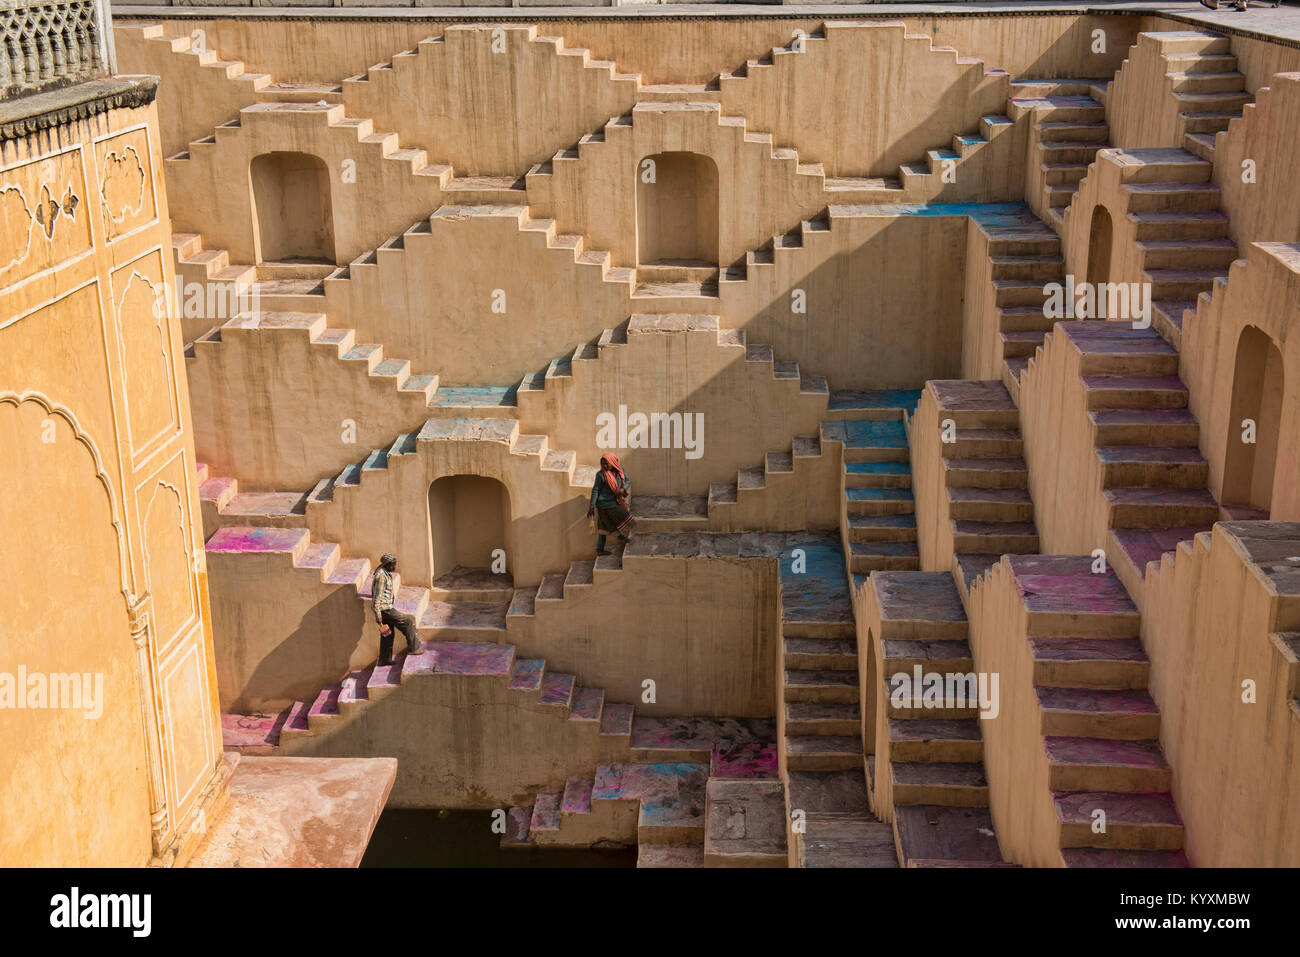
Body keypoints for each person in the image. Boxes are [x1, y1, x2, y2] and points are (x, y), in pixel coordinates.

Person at [372, 552, 421, 664]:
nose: (394, 566)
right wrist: (378, 615)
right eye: (393, 564)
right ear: (388, 564)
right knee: (407, 622)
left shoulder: (383, 571)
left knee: (388, 635)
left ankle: (385, 659)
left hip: (386, 607)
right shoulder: (381, 576)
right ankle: (414, 648)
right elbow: (377, 597)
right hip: (385, 609)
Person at [587, 453, 635, 557]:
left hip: (614, 501)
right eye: (602, 464)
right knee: (625, 516)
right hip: (604, 504)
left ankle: (600, 549)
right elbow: (596, 490)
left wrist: (623, 489)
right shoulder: (600, 475)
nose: (604, 466)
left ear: (613, 462)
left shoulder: (619, 469)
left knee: (604, 528)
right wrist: (591, 506)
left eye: (606, 464)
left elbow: (627, 480)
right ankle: (621, 536)